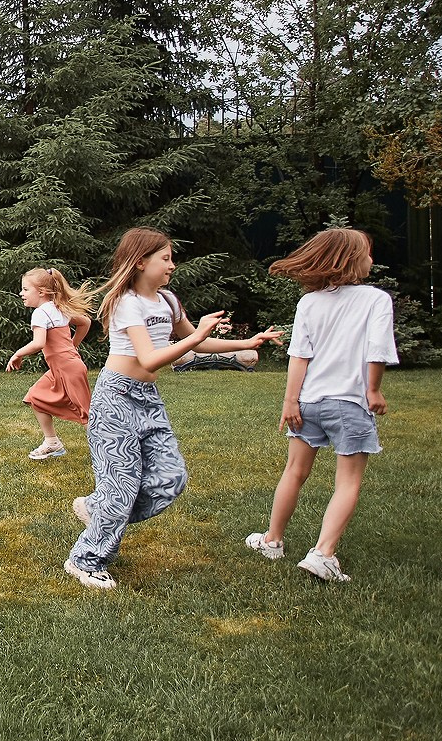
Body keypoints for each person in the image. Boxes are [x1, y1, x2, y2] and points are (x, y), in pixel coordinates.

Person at [64, 228, 280, 591]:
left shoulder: (167, 301)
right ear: (140, 261)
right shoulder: (127, 303)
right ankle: (85, 560)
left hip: (148, 399)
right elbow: (150, 357)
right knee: (122, 487)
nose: (172, 265)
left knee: (171, 478)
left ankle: (97, 509)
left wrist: (247, 342)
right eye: (165, 258)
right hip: (115, 399)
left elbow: (197, 338)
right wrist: (193, 340)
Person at [245, 227, 399, 583]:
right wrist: (373, 391)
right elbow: (376, 351)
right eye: (367, 253)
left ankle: (272, 540)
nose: (371, 260)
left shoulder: (309, 302)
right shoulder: (375, 300)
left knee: (294, 473)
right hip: (348, 403)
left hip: (308, 402)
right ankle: (323, 554)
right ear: (350, 260)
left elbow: (299, 356)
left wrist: (290, 401)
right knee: (348, 482)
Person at [6, 267, 93, 460]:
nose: (21, 293)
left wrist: (17, 354)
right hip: (62, 368)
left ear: (42, 292)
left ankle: (108, 453)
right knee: (35, 397)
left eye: (25, 289)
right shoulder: (57, 308)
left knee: (86, 414)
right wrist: (73, 345)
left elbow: (39, 343)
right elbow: (85, 322)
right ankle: (52, 443)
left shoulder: (41, 313)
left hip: (69, 369)